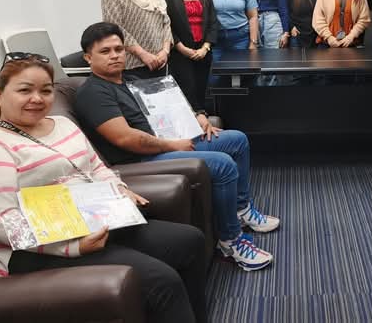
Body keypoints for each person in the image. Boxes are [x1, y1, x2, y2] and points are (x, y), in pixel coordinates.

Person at [0, 53, 208, 322]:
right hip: (36, 250)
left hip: (95, 220)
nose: (37, 98)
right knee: (161, 280)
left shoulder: (63, 125)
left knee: (190, 240)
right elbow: (3, 225)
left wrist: (119, 190)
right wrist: (73, 247)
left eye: (45, 90)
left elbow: (96, 167)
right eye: (24, 90)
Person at [74, 22, 278, 271]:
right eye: (105, 51)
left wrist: (198, 116)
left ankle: (241, 209)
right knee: (222, 164)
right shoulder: (93, 93)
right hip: (139, 159)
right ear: (88, 57)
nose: (115, 55)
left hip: (167, 142)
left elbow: (170, 105)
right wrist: (172, 145)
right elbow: (125, 139)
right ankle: (230, 241)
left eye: (118, 49)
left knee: (236, 140)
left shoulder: (131, 80)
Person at [161, 0, 218, 112]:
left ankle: (202, 120)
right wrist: (181, 48)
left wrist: (205, 48)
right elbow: (165, 25)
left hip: (203, 52)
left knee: (201, 91)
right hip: (179, 52)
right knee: (185, 92)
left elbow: (213, 22)